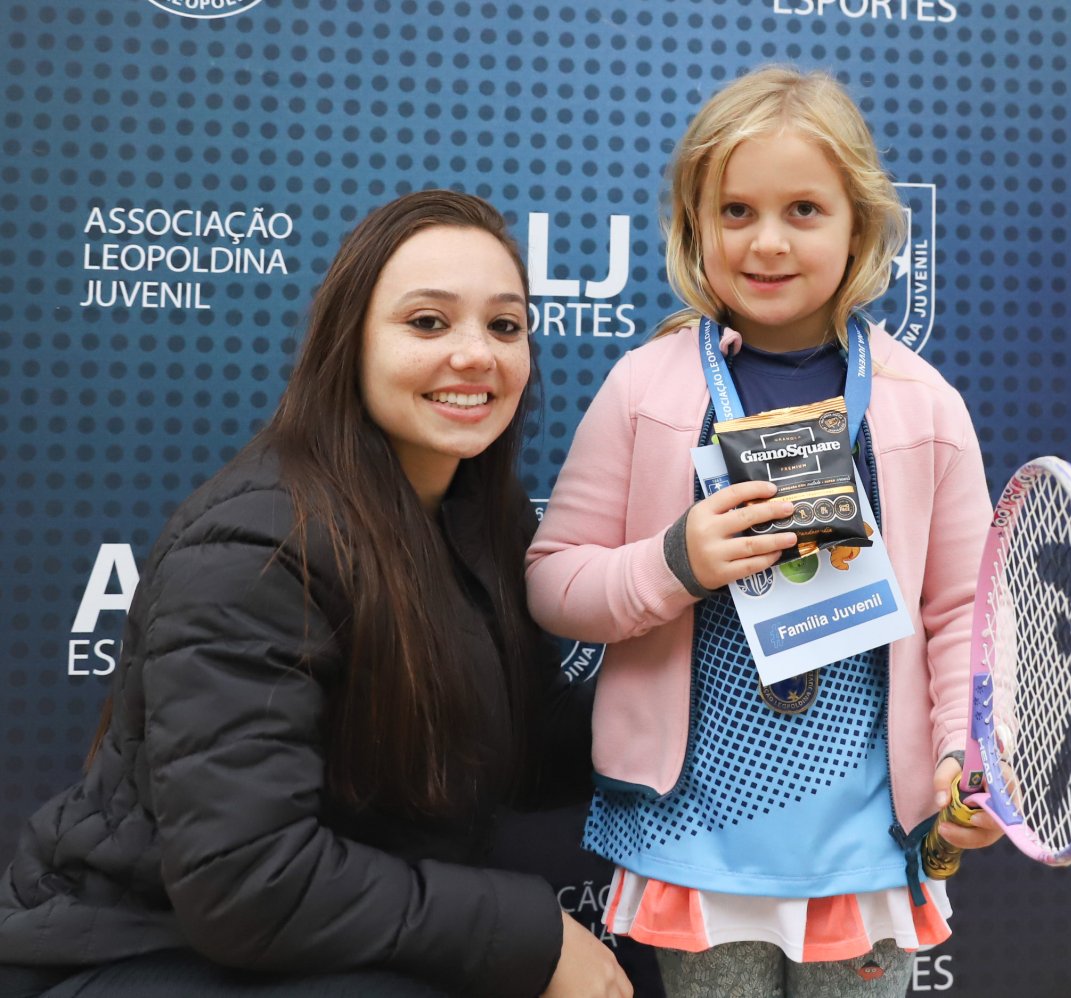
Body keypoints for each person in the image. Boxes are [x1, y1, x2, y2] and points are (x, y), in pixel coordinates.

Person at [0, 191, 632, 998]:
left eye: (505, 326)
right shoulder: (257, 546)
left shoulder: (484, 514)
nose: (477, 354)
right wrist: (532, 937)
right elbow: (247, 880)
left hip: (298, 938)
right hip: (132, 950)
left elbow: (521, 751)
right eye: (428, 323)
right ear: (349, 341)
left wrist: (692, 699)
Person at [525, 67, 1003, 997]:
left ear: (860, 226)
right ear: (694, 225)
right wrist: (675, 563)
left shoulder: (923, 405)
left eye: (804, 211)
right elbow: (553, 580)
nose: (768, 241)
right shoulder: (645, 388)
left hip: (867, 843)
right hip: (695, 837)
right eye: (736, 211)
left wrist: (965, 758)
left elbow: (967, 617)